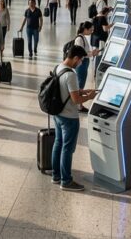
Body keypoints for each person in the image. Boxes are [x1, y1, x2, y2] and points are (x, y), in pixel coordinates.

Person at [51, 45, 97, 191]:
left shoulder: (59, 67)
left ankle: (56, 175)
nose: (81, 63)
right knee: (67, 149)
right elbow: (76, 100)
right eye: (81, 60)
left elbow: (67, 90)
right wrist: (89, 96)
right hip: (69, 117)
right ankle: (66, 181)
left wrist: (82, 90)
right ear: (76, 58)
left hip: (58, 114)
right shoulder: (71, 74)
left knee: (58, 144)